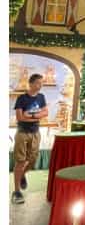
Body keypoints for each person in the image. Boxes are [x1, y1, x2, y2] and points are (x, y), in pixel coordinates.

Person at [12, 74, 48, 204]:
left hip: (35, 133)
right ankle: (16, 192)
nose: (40, 85)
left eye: (41, 83)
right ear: (31, 83)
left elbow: (46, 113)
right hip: (22, 133)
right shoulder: (22, 98)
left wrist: (31, 115)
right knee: (20, 162)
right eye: (38, 83)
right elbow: (20, 117)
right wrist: (37, 116)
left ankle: (22, 175)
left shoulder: (41, 97)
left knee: (32, 160)